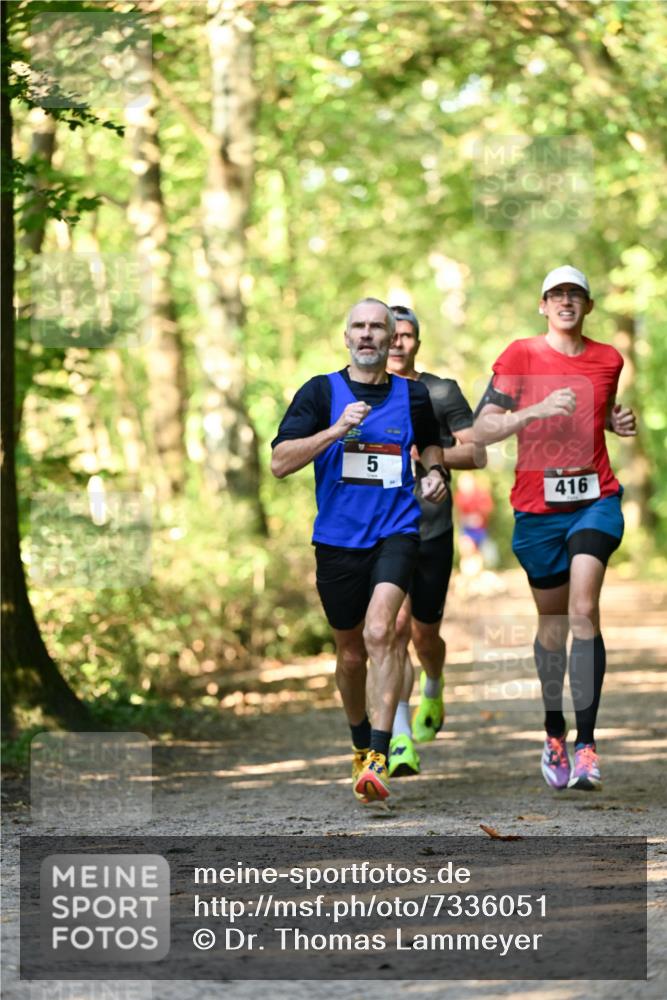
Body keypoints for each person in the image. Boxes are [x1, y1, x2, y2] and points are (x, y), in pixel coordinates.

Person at [271, 298, 448, 804]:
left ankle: (379, 753)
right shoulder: (320, 391)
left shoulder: (413, 397)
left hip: (397, 532)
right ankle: (357, 742)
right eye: (359, 327)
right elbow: (280, 463)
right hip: (336, 541)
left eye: (378, 327)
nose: (368, 335)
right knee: (349, 656)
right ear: (346, 337)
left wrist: (435, 474)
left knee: (381, 632)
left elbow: (432, 445)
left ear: (394, 340)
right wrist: (334, 431)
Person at [473, 266, 637, 791]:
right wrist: (533, 410)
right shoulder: (519, 356)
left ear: (588, 306)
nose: (566, 302)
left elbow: (597, 409)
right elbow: (481, 429)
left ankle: (587, 746)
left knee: (584, 609)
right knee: (553, 625)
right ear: (543, 305)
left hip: (596, 499)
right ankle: (553, 732)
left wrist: (616, 421)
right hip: (536, 509)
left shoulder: (609, 358)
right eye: (556, 294)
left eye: (576, 295)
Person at [384, 305, 486, 778]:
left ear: (417, 342)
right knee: (393, 630)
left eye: (407, 335)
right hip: (382, 530)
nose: (399, 343)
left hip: (432, 530)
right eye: (393, 334)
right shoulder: (362, 394)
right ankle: (400, 739)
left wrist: (428, 456)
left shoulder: (440, 391)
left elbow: (478, 452)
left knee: (424, 636)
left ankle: (435, 682)